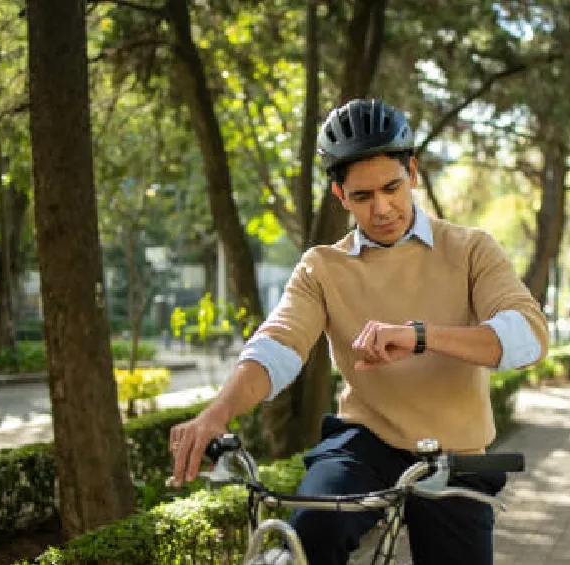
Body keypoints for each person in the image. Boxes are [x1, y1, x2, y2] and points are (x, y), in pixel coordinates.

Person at [168, 99, 549, 565]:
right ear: (340, 196)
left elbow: (527, 336)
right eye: (363, 197)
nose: (383, 208)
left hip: (456, 451)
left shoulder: (470, 250)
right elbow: (278, 345)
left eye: (392, 187)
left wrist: (419, 335)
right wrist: (218, 412)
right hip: (366, 443)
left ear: (412, 171)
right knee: (309, 533)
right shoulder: (322, 268)